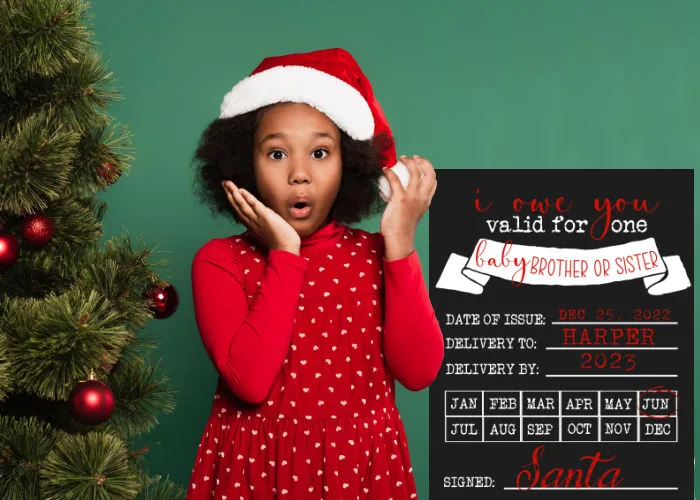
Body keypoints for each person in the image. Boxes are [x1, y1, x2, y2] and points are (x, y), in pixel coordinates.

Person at [187, 47, 444, 499]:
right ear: (246, 163)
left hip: (360, 473)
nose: (300, 174)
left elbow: (419, 371)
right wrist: (285, 253)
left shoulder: (376, 256)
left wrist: (400, 246)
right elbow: (249, 381)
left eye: (320, 152)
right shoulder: (220, 261)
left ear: (349, 165)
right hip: (254, 473)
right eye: (278, 153)